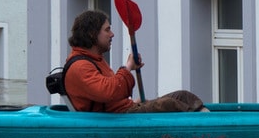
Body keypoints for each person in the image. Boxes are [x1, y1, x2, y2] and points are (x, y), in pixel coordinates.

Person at [62, 9, 205, 113]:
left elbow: (113, 95)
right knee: (168, 104)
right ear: (92, 34)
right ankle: (205, 125)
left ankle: (208, 118)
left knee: (183, 95)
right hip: (116, 118)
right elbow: (108, 92)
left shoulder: (95, 59)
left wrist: (131, 102)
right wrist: (128, 67)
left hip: (123, 110)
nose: (112, 34)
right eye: (107, 30)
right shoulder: (80, 66)